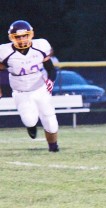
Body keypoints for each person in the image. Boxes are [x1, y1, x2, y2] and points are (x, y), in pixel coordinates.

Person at [0, 20, 59, 152]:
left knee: (50, 119)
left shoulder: (41, 46)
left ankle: (53, 148)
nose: (21, 39)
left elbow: (50, 68)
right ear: (12, 38)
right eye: (18, 37)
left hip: (40, 88)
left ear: (30, 35)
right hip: (20, 92)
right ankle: (31, 126)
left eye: (24, 35)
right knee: (30, 120)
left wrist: (51, 80)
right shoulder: (4, 51)